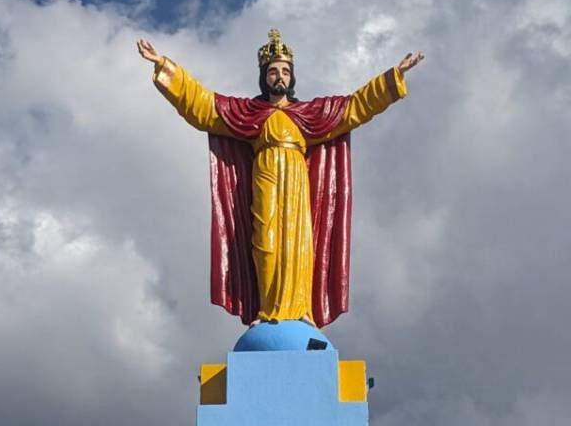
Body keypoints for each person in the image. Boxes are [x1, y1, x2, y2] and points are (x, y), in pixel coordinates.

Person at [138, 30, 424, 327]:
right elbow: (202, 104)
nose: (280, 77)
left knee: (298, 243)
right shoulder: (247, 114)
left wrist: (393, 76)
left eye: (285, 71)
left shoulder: (310, 114)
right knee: (266, 240)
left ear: (292, 77)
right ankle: (267, 309)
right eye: (273, 71)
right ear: (264, 77)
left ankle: (301, 309)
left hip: (297, 179)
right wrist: (163, 65)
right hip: (265, 174)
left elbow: (355, 106)